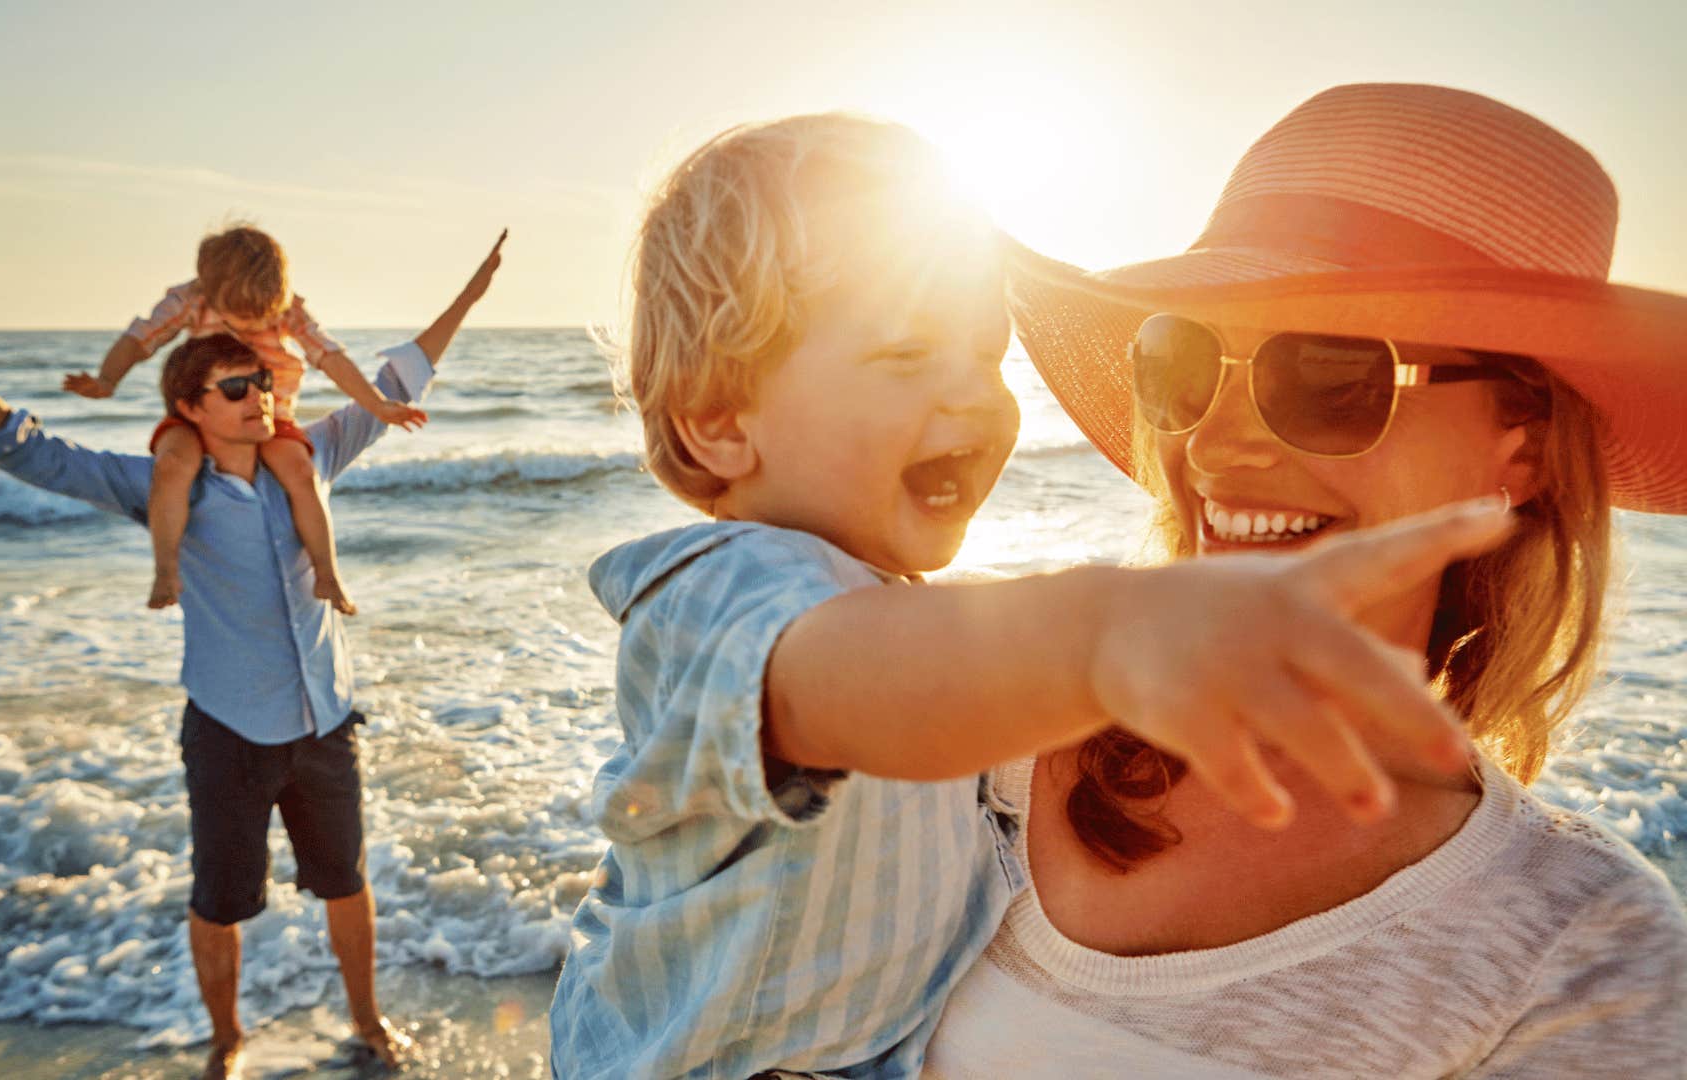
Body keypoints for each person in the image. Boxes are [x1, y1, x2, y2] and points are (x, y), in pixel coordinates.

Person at [547, 112, 1516, 1079]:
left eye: (990, 355)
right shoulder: (716, 597)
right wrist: (1107, 634)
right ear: (719, 423)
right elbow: (857, 684)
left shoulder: (895, 608)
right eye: (906, 356)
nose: (977, 399)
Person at [925, 83, 1687, 1077]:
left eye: (1330, 376)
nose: (1220, 442)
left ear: (1524, 449)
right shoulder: (961, 701)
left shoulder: (1588, 950)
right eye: (1184, 362)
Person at [0, 233, 504, 1079]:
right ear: (191, 407)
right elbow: (23, 448)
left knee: (347, 883)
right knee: (220, 902)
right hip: (227, 731)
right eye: (236, 387)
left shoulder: (313, 458)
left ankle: (367, 1023)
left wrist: (470, 297)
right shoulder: (159, 488)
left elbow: (399, 377)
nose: (260, 394)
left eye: (261, 380)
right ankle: (227, 1042)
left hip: (327, 721)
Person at [62, 225, 461, 616]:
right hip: (205, 409)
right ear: (209, 289)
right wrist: (107, 379)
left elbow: (330, 357)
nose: (254, 325)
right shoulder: (191, 299)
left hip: (271, 413)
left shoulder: (288, 307)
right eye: (240, 316)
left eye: (263, 315)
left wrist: (377, 404)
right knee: (172, 466)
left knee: (300, 472)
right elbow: (140, 338)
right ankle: (166, 570)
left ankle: (327, 573)